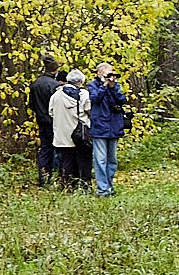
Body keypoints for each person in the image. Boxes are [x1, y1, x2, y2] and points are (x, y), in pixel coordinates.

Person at [86, 63, 127, 197]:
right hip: (100, 127)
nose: (110, 77)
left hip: (114, 126)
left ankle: (109, 186)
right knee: (100, 160)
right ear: (99, 74)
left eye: (111, 74)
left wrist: (113, 87)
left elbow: (122, 100)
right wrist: (104, 87)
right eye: (107, 74)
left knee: (112, 160)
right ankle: (102, 189)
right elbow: (94, 99)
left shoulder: (115, 86)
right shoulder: (93, 85)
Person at [49, 69, 91, 191]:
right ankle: (84, 186)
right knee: (84, 161)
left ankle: (67, 186)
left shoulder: (56, 95)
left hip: (61, 135)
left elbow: (51, 112)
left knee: (66, 161)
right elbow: (89, 111)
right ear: (81, 82)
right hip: (79, 134)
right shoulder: (83, 95)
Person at [30, 55, 62, 186]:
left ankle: (43, 177)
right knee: (60, 149)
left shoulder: (35, 83)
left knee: (45, 149)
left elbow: (31, 104)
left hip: (41, 120)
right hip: (54, 122)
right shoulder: (55, 85)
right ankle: (62, 177)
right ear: (55, 71)